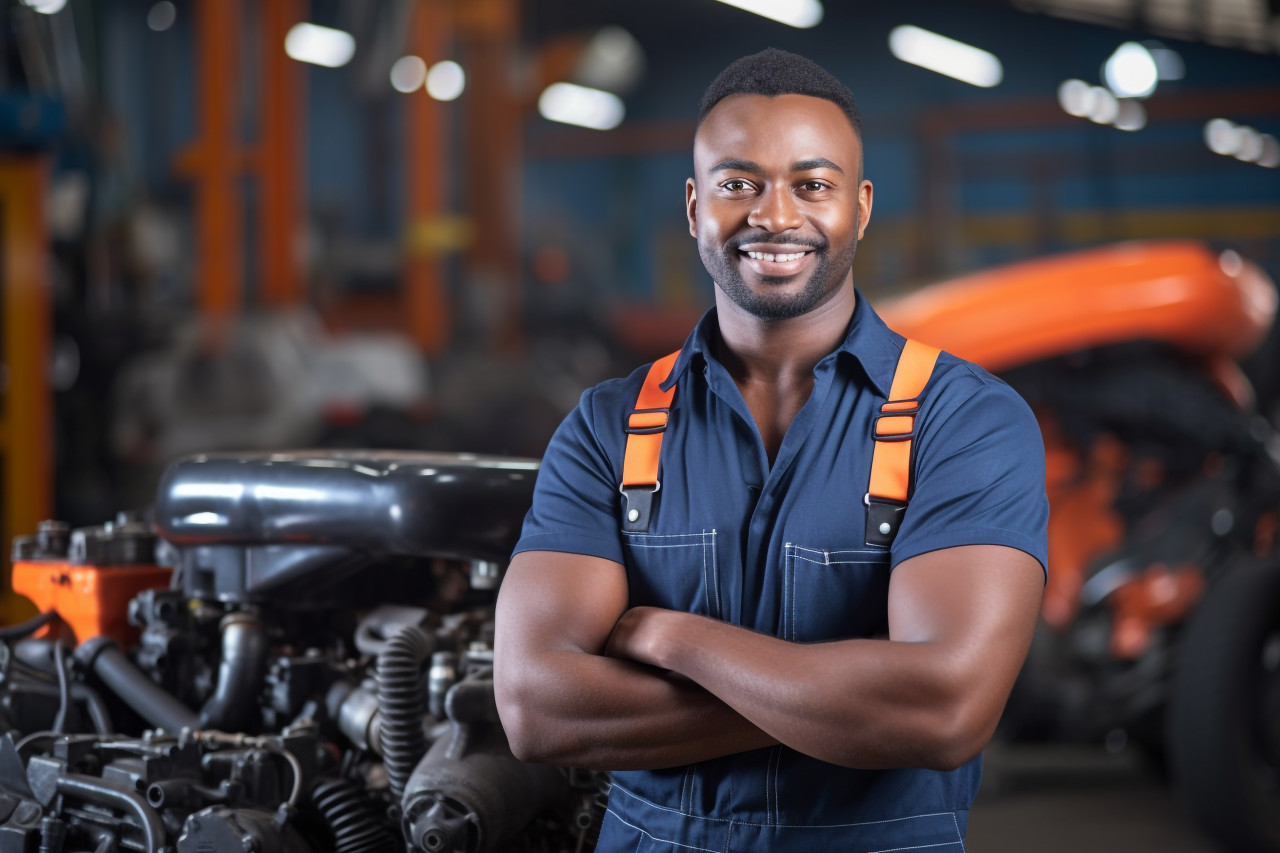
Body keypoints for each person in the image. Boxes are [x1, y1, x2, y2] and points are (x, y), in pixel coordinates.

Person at [494, 47, 1048, 852]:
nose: (776, 215)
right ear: (694, 206)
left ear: (860, 207)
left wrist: (671, 638)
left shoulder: (963, 421)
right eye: (738, 183)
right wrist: (840, 701)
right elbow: (534, 706)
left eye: (812, 184)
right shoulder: (607, 427)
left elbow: (942, 709)